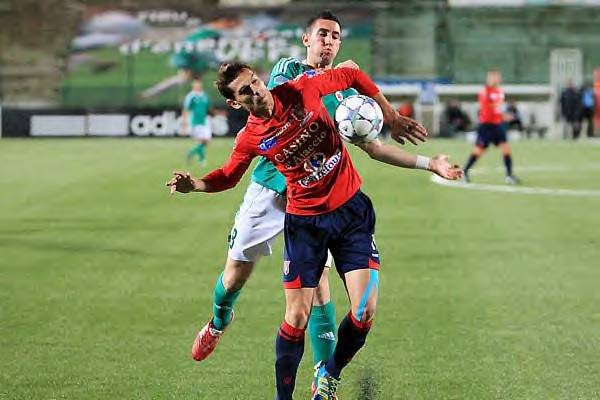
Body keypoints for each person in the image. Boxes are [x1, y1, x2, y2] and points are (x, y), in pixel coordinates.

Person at [166, 62, 463, 399]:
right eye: (246, 91)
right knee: (295, 315)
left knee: (364, 310)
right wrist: (198, 185)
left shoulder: (302, 90)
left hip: (351, 212)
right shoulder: (250, 136)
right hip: (305, 223)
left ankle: (329, 373)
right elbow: (230, 175)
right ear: (236, 103)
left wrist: (392, 117)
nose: (257, 90)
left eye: (256, 82)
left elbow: (350, 73)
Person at [463, 70, 520, 184]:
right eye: (493, 77)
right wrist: (503, 116)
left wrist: (502, 116)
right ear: (488, 79)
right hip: (486, 126)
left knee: (506, 149)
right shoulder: (485, 92)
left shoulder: (499, 91)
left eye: (497, 77)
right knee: (479, 150)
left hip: (497, 125)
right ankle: (464, 172)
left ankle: (509, 176)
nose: (496, 79)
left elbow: (498, 108)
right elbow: (488, 110)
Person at [182, 77, 211, 166]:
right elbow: (186, 109)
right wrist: (185, 121)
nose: (198, 86)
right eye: (196, 84)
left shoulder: (204, 95)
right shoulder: (191, 96)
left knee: (206, 141)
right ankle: (201, 160)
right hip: (195, 122)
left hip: (204, 121)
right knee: (203, 141)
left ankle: (191, 153)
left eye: (199, 84)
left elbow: (208, 107)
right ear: (193, 86)